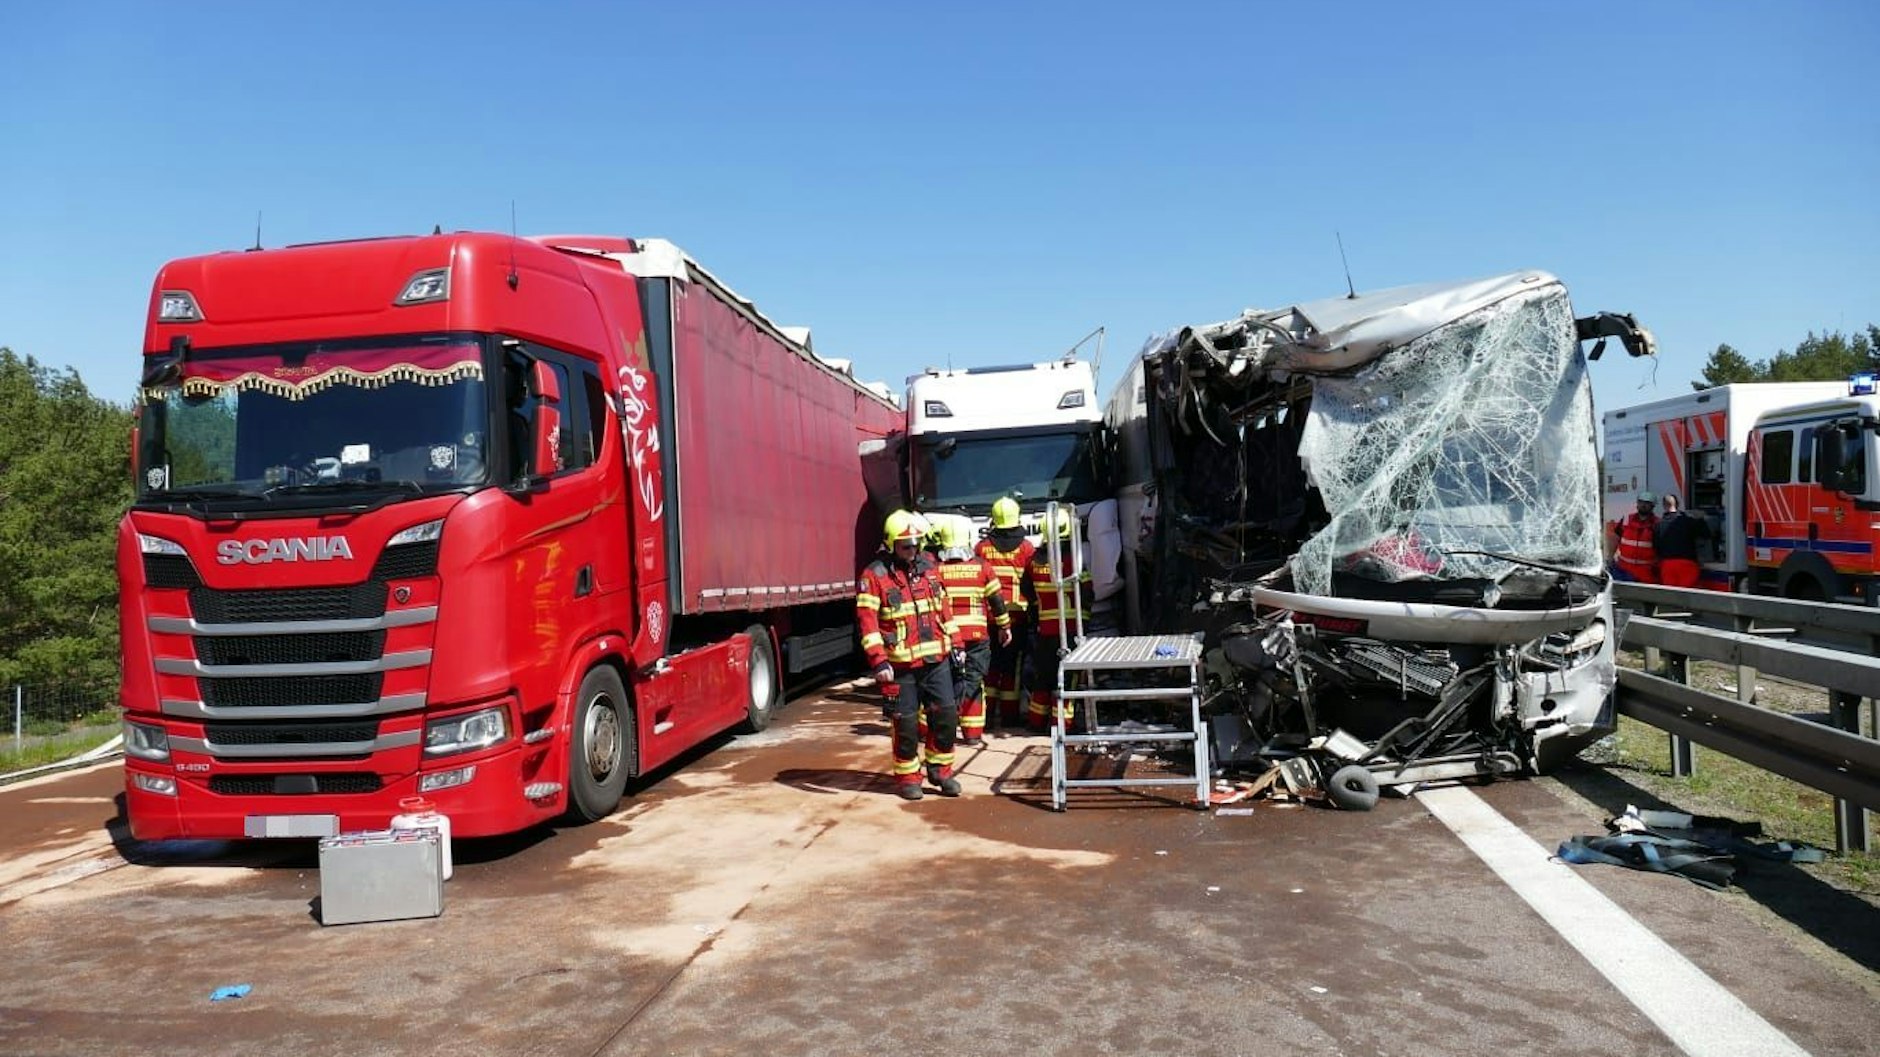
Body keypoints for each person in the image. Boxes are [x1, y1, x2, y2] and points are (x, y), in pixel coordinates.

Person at [857, 510, 963, 800]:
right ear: (891, 544)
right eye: (906, 545)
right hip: (899, 665)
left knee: (946, 717)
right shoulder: (874, 576)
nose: (913, 549)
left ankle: (940, 771)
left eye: (916, 543)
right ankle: (907, 777)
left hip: (935, 661)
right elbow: (868, 623)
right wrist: (878, 660)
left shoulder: (930, 565)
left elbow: (944, 609)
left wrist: (957, 644)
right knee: (904, 724)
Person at [934, 519, 1011, 748]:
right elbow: (997, 601)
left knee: (943, 684)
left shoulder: (935, 570)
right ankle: (972, 735)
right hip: (977, 637)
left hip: (947, 637)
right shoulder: (983, 567)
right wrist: (1004, 627)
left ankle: (936, 730)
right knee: (974, 682)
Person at [1022, 507, 1092, 733]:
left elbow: (1027, 591)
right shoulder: (1075, 560)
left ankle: (1035, 722)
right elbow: (1089, 592)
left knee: (1044, 677)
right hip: (1071, 629)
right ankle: (1062, 725)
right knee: (1067, 679)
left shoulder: (1033, 561)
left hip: (1045, 630)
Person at [976, 496, 1037, 730]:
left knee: (990, 666)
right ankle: (1010, 716)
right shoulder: (1026, 547)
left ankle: (988, 715)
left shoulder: (982, 547)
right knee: (1013, 665)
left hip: (990, 617)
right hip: (1018, 616)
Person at [1654, 493, 1712, 589]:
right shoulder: (1688, 520)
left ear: (1664, 505)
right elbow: (1706, 534)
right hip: (1687, 564)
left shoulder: (1658, 524)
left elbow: (1656, 546)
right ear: (1677, 504)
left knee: (1671, 596)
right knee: (1687, 595)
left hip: (1667, 565)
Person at [1610, 491, 1660, 584]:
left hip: (1646, 574)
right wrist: (1610, 559)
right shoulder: (1626, 519)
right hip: (1623, 571)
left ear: (1653, 506)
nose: (1643, 505)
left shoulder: (1657, 524)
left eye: (1647, 503)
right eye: (1641, 502)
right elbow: (1615, 538)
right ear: (1637, 504)